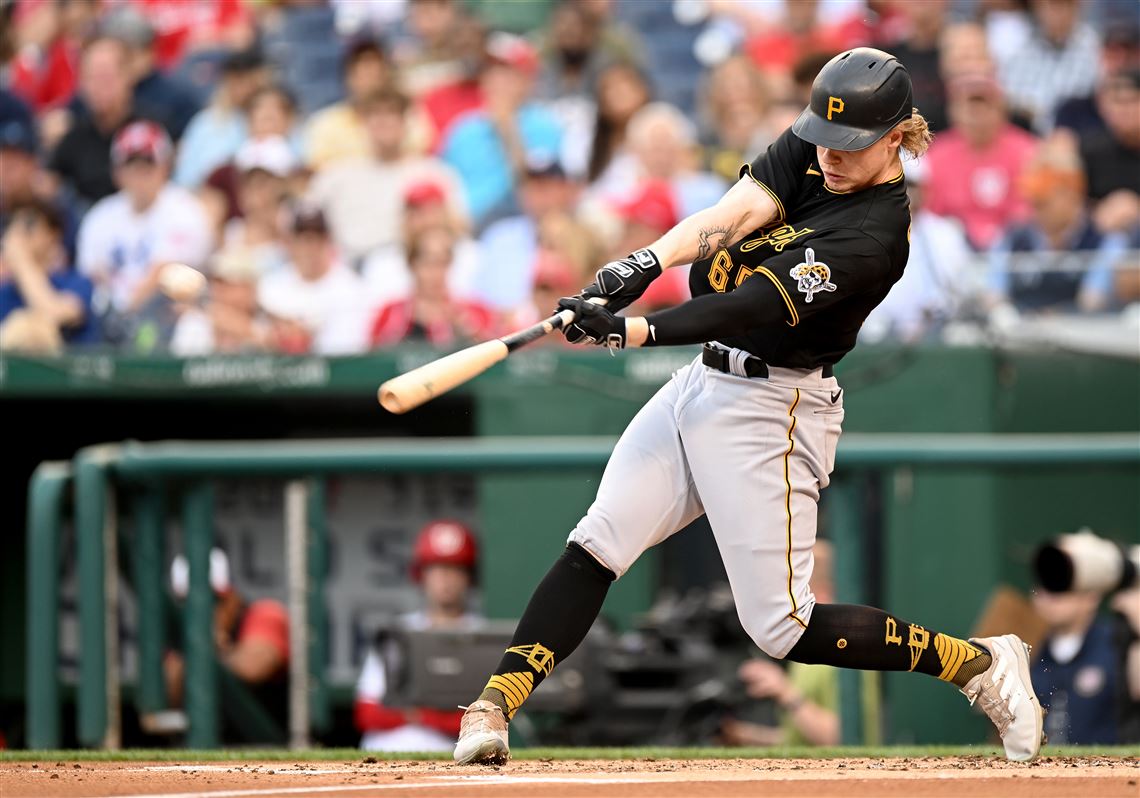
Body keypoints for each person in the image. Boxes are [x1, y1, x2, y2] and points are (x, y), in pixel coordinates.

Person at [452, 48, 1045, 766]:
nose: (830, 156)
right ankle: (493, 706)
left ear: (895, 136)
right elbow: (737, 214)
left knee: (784, 627)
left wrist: (633, 329)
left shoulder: (875, 235)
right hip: (705, 382)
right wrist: (645, 263)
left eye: (851, 146)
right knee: (600, 539)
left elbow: (748, 304)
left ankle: (977, 666)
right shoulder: (820, 140)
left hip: (774, 406)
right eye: (824, 140)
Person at [723, 540, 879, 747]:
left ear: (821, 592)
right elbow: (797, 742)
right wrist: (743, 736)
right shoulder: (806, 644)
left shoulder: (848, 647)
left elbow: (841, 738)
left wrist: (785, 692)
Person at [355, 520, 482, 752]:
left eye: (455, 569)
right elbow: (367, 712)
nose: (445, 578)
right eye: (437, 568)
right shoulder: (397, 633)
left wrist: (412, 713)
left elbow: (480, 721)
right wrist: (435, 715)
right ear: (421, 575)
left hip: (447, 753)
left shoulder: (481, 635)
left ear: (469, 576)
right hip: (383, 753)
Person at [76, 120, 213, 335]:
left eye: (148, 165)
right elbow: (92, 276)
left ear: (165, 166)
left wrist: (127, 309)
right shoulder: (100, 216)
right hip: (108, 315)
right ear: (117, 172)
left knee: (189, 325)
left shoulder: (185, 209)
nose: (139, 175)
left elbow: (168, 273)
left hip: (166, 315)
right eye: (131, 165)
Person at [307, 86, 466, 265]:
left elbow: (460, 227)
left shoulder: (434, 172)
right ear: (363, 123)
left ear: (406, 121)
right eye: (375, 114)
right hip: (352, 268)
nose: (383, 121)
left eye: (392, 113)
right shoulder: (335, 176)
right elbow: (305, 224)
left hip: (415, 265)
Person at [164, 547, 290, 740]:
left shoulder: (263, 614)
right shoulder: (178, 636)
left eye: (213, 601)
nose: (202, 612)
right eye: (187, 603)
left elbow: (253, 667)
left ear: (232, 598)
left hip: (273, 757)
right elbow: (166, 696)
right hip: (200, 762)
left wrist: (206, 650)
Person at [986, 144, 1124, 315]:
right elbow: (994, 297)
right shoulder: (1013, 237)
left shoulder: (1103, 239)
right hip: (1016, 335)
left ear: (1071, 195)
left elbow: (1092, 302)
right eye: (1033, 201)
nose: (1034, 209)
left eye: (1043, 201)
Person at [441, 32, 563, 227]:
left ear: (527, 81)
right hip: (464, 229)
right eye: (491, 71)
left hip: (522, 224)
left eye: (507, 73)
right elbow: (445, 184)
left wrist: (508, 129)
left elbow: (536, 188)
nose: (497, 80)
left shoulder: (544, 125)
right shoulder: (463, 129)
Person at [861, 157, 974, 342]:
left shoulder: (946, 234)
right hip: (878, 336)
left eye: (910, 185)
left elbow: (959, 291)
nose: (903, 192)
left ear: (923, 189)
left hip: (935, 334)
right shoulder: (863, 232)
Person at [924, 71, 1038, 250]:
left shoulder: (1027, 151)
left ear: (1002, 110)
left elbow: (1032, 209)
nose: (978, 116)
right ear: (954, 111)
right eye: (970, 108)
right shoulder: (936, 156)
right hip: (955, 247)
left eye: (985, 106)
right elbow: (930, 214)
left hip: (1015, 248)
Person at [1031, 580, 1140, 744]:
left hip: (1108, 766)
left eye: (1061, 585)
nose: (1050, 596)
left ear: (1091, 597)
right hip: (1041, 767)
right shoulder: (1027, 644)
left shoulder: (1119, 641)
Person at [257, 202, 368, 355]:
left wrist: (303, 336)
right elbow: (260, 340)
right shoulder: (272, 284)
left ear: (327, 240)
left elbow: (345, 352)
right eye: (302, 239)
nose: (309, 247)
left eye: (317, 239)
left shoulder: (350, 287)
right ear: (290, 242)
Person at [368, 225, 496, 348]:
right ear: (412, 264)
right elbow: (375, 360)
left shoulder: (474, 312)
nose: (436, 273)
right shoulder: (390, 315)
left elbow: (495, 352)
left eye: (442, 263)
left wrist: (468, 331)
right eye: (428, 263)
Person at [48, 35, 138, 209]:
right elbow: (49, 184)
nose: (98, 87)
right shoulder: (73, 137)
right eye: (91, 78)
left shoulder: (151, 129)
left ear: (128, 76)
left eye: (106, 77)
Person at [0, 198, 96, 347]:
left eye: (29, 225)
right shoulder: (5, 291)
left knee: (27, 329)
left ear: (53, 234)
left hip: (59, 367)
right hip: (8, 368)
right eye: (12, 224)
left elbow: (54, 314)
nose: (18, 234)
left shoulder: (76, 282)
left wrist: (21, 259)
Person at [996, 0, 1100, 134]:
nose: (1056, 13)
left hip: (1076, 135)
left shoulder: (1094, 48)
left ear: (1077, 8)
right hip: (1027, 133)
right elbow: (1009, 95)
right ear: (1037, 8)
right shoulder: (1019, 46)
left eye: (1063, 5)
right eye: (1050, 5)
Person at [174, 48, 269, 189]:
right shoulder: (205, 124)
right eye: (236, 80)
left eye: (247, 81)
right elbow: (185, 180)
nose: (242, 89)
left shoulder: (276, 119)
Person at [304, 38, 393, 170]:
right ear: (348, 78)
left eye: (376, 75)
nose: (370, 83)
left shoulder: (409, 120)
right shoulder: (325, 124)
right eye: (363, 75)